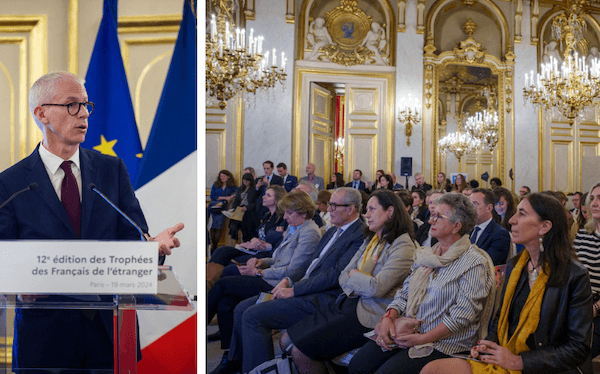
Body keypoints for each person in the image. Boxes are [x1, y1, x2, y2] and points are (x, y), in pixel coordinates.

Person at [0, 71, 183, 370]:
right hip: (46, 337)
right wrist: (17, 284)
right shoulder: (11, 183)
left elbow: (132, 237)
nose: (84, 113)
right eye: (72, 104)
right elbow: (4, 259)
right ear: (41, 113)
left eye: (85, 105)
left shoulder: (111, 170)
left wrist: (152, 249)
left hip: (109, 331)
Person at [422, 192, 593, 374]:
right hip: (508, 356)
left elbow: (577, 348)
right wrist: (488, 345)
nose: (512, 220)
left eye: (522, 214)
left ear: (545, 226)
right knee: (432, 369)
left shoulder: (574, 275)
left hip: (544, 366)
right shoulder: (516, 265)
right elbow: (500, 319)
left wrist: (520, 361)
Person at [349, 193, 495, 374]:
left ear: (456, 226)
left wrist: (422, 338)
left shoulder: (473, 263)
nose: (431, 221)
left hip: (444, 344)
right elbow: (404, 293)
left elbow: (462, 317)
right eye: (432, 215)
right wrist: (388, 318)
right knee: (358, 365)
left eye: (438, 217)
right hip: (408, 330)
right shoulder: (427, 255)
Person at [224, 188, 367, 374]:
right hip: (304, 289)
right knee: (244, 307)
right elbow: (311, 267)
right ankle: (236, 364)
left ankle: (257, 371)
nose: (328, 209)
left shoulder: (359, 234)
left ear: (351, 209)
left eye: (333, 205)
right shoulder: (333, 231)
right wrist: (288, 281)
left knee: (253, 316)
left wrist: (294, 289)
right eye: (329, 204)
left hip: (323, 298)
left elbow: (335, 276)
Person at [280, 190, 418, 374]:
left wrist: (356, 276)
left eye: (371, 209)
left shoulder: (403, 245)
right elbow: (344, 275)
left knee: (300, 351)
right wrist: (357, 281)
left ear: (390, 212)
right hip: (348, 301)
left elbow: (376, 287)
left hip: (369, 313)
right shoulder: (372, 238)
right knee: (286, 339)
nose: (366, 214)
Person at [207, 191, 322, 371]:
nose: (285, 217)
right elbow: (277, 258)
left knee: (223, 285)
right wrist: (262, 262)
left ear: (304, 212)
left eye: (289, 213)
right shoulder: (298, 228)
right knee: (227, 301)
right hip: (270, 276)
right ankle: (231, 357)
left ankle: (205, 333)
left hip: (278, 284)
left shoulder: (310, 232)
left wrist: (259, 272)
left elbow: (294, 271)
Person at [207, 185, 288, 291]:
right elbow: (259, 234)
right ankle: (207, 283)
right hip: (252, 248)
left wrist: (265, 243)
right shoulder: (267, 215)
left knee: (230, 264)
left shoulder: (283, 218)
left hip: (263, 253)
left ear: (277, 200)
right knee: (221, 250)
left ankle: (212, 287)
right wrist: (253, 240)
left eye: (268, 195)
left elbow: (280, 240)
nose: (263, 197)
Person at [575, 184, 600, 358]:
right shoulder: (583, 234)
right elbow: (571, 273)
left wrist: (595, 308)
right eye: (592, 198)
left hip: (596, 309)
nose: (594, 203)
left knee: (581, 352)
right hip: (579, 304)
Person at [469, 188, 511, 265]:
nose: (470, 208)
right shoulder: (467, 230)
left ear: (489, 208)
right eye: (469, 204)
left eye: (475, 204)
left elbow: (486, 263)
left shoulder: (500, 234)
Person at [225, 172, 258, 242]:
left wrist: (247, 207)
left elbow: (255, 202)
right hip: (240, 211)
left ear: (250, 181)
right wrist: (233, 208)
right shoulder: (240, 189)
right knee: (242, 230)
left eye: (247, 181)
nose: (245, 182)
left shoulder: (254, 189)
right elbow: (236, 200)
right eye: (244, 181)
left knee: (249, 231)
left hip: (249, 213)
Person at [209, 170, 238, 248]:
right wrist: (225, 197)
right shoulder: (216, 184)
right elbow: (212, 196)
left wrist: (232, 197)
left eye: (224, 176)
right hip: (213, 207)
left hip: (222, 208)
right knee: (212, 227)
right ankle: (213, 246)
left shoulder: (231, 185)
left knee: (219, 227)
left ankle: (215, 246)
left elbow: (237, 192)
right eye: (221, 176)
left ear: (228, 176)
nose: (222, 178)